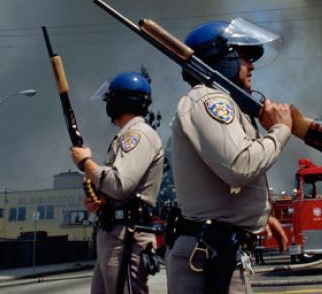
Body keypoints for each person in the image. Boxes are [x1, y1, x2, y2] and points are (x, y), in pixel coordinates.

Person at [166, 18, 291, 293]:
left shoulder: (223, 104)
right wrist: (281, 130)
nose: (252, 65)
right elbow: (239, 166)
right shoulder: (211, 100)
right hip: (211, 255)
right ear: (220, 58)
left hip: (217, 250)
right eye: (244, 57)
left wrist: (258, 215)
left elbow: (222, 183)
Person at [69, 71, 164, 294]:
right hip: (116, 232)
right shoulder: (126, 135)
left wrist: (85, 163)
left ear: (120, 102)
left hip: (126, 236)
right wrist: (101, 199)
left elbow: (120, 185)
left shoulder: (137, 135)